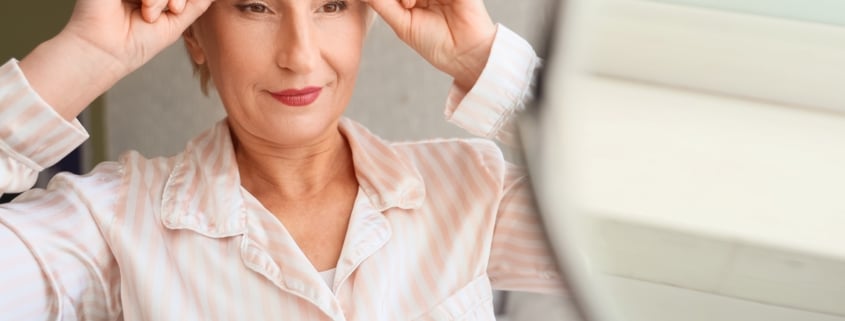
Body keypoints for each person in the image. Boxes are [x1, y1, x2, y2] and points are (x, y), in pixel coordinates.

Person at [0, 0, 564, 319]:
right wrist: (86, 57)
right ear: (195, 33)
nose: (300, 54)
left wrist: (483, 60)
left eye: (332, 5)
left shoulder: (471, 190)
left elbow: (645, 216)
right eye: (255, 6)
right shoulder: (111, 223)